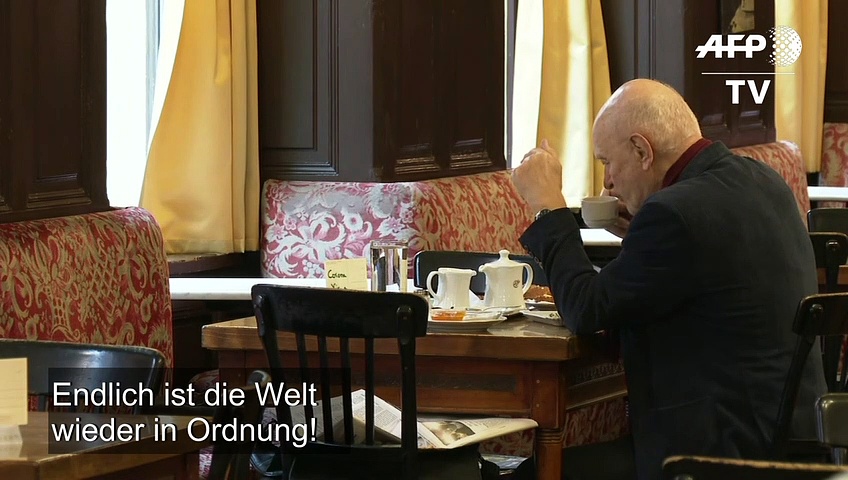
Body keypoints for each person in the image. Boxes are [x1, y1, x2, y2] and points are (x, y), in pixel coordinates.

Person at [511, 79, 827, 480]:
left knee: (532, 475)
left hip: (717, 457)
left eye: (607, 161)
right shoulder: (761, 180)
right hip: (794, 444)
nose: (607, 181)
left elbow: (585, 309)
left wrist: (548, 208)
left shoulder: (675, 213)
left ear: (642, 150)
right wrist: (640, 235)